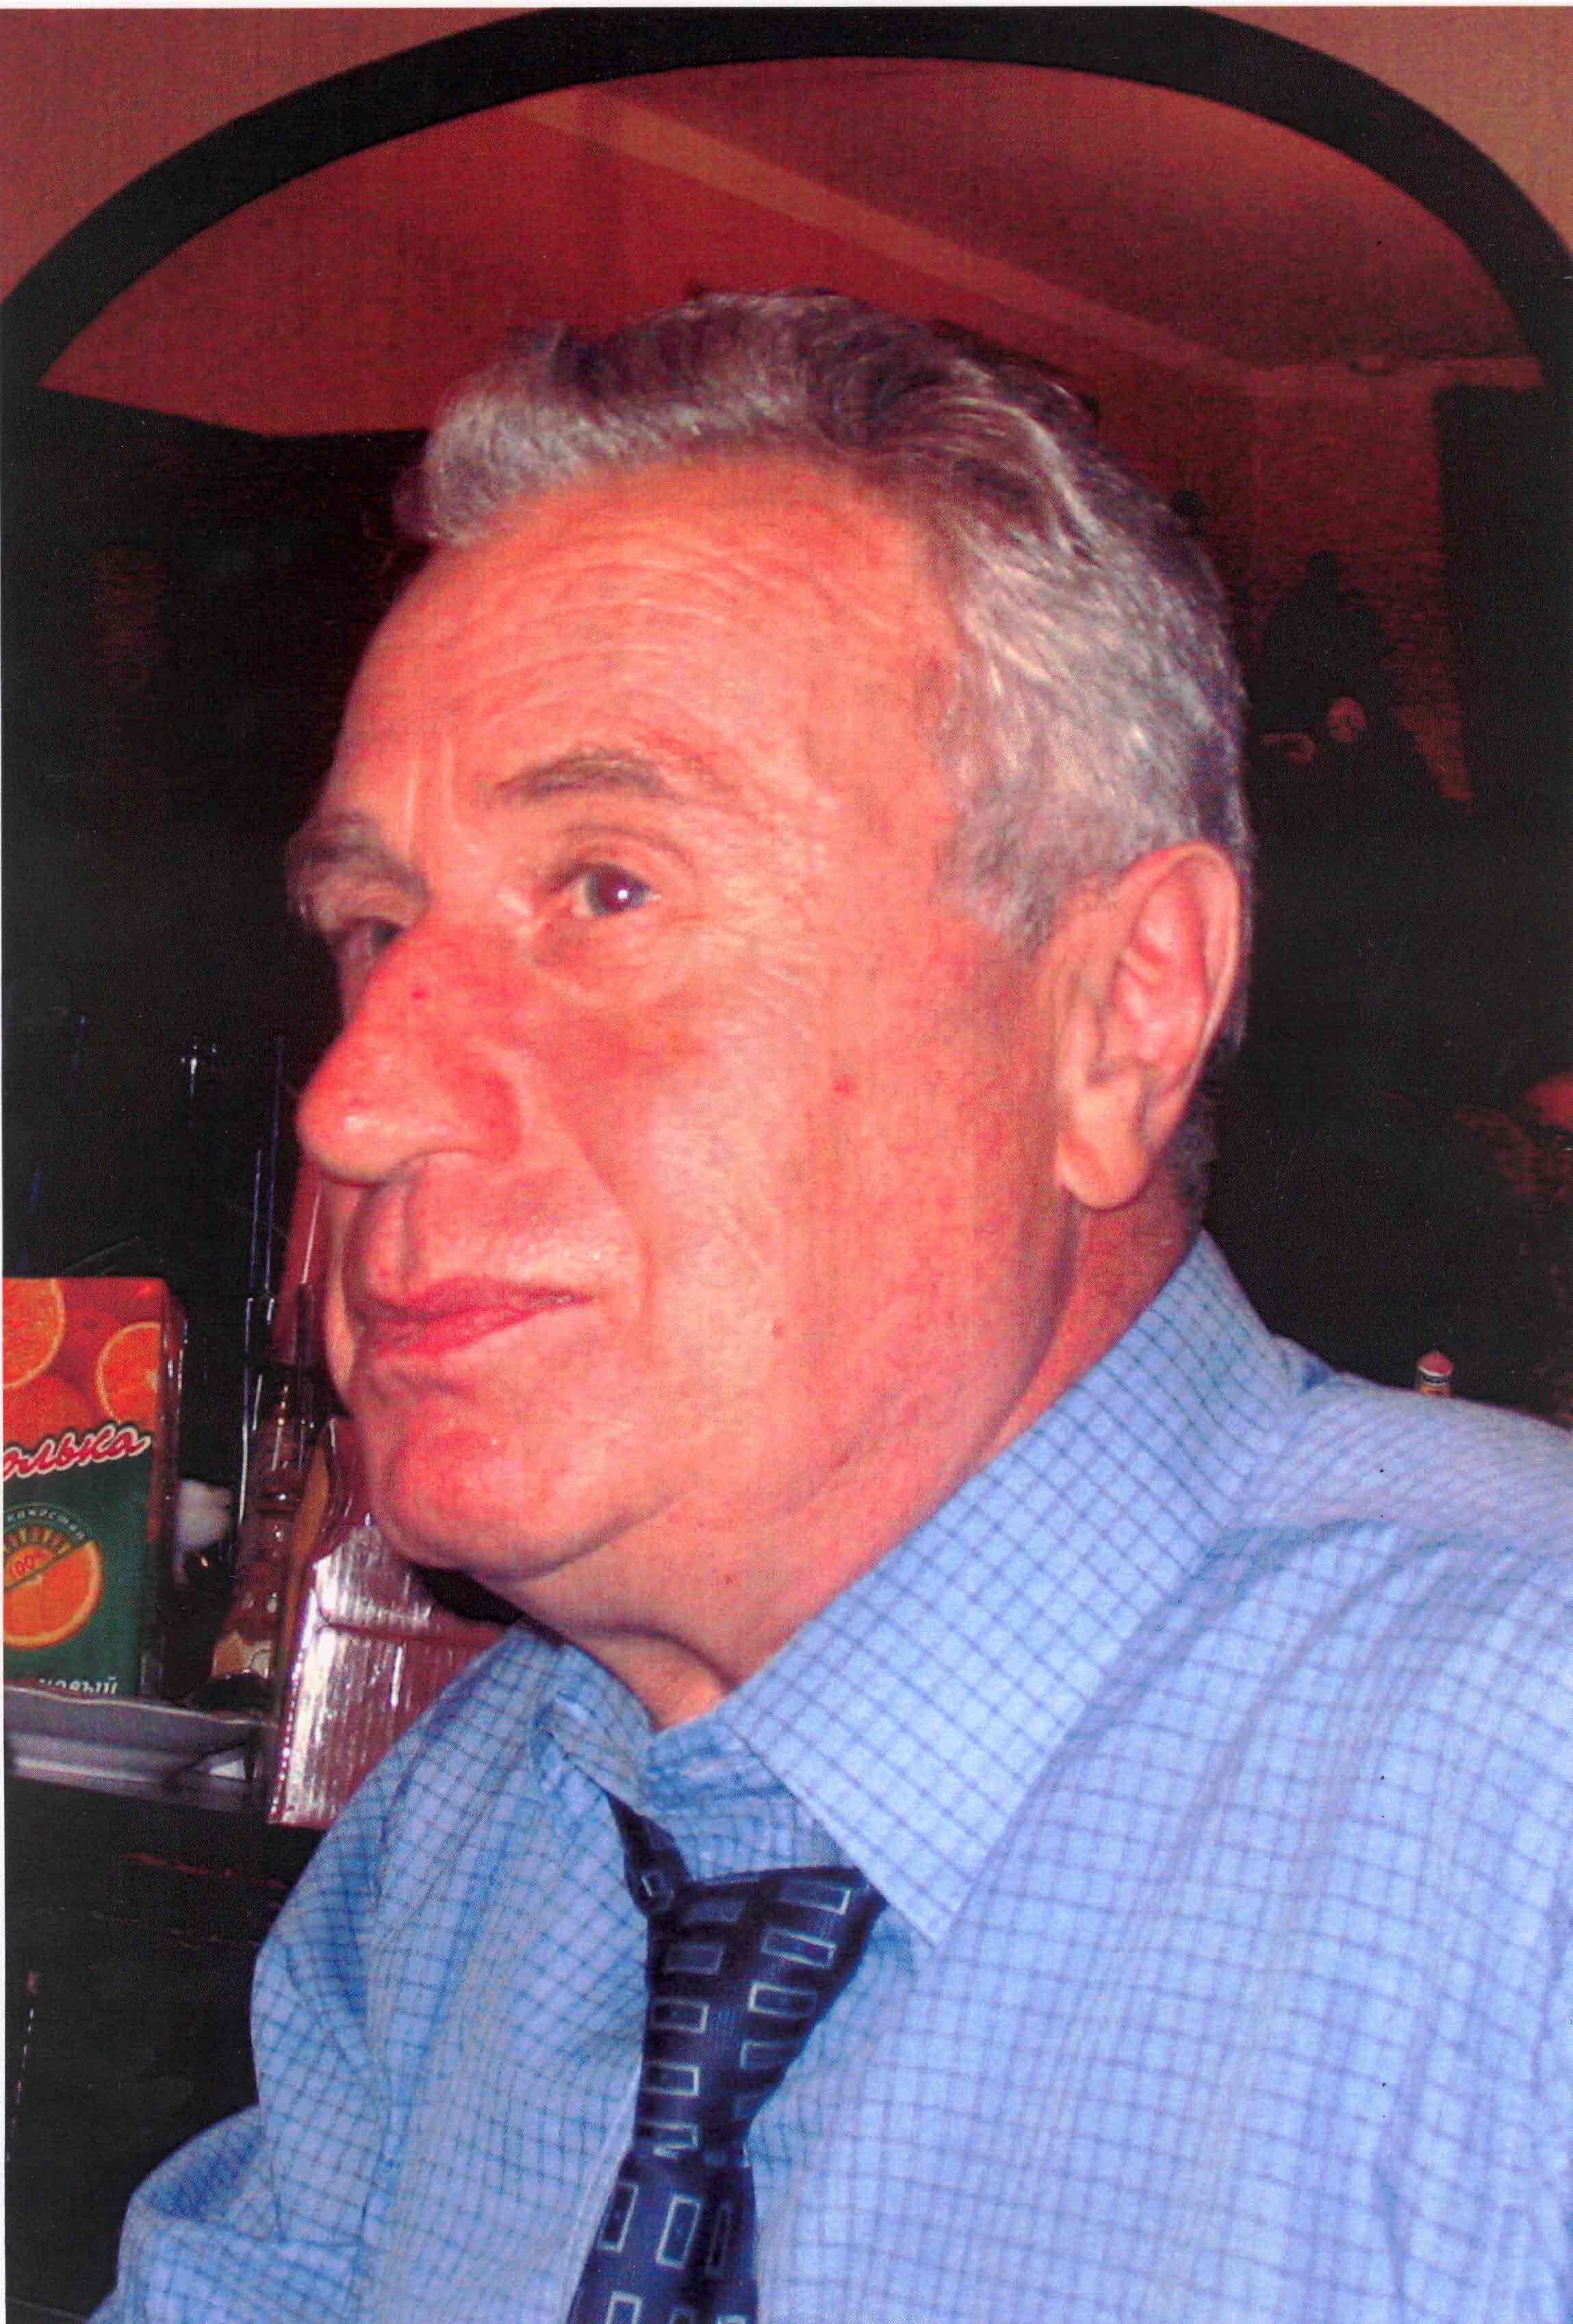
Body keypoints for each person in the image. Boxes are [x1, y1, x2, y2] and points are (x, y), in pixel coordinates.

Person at [96, 294, 1571, 2324]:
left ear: (1119, 1014)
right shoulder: (474, 1830)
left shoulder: (1527, 1800)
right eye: (372, 924)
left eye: (608, 888)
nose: (355, 1099)